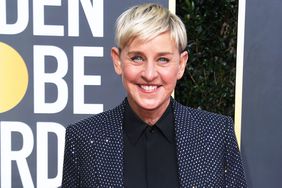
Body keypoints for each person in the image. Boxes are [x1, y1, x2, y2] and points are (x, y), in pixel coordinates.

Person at [61, 3, 247, 188]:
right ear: (117, 61)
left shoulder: (216, 134)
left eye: (163, 59)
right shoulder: (83, 138)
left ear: (181, 64)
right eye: (137, 58)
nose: (149, 74)